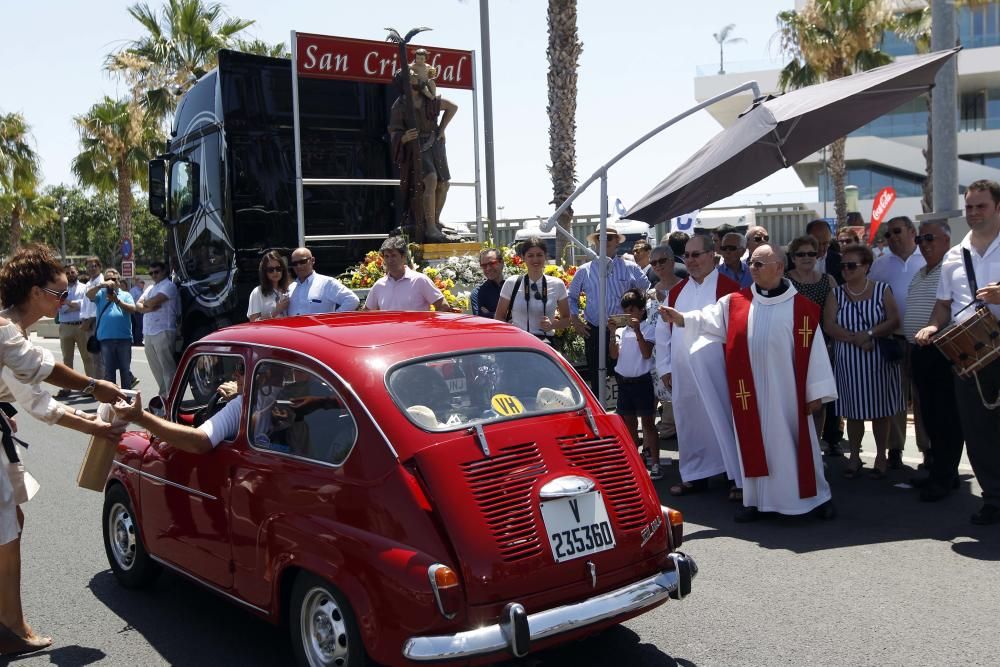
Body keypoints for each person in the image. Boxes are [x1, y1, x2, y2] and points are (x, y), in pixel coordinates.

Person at [0, 245, 127, 658]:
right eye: (59, 293)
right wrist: (96, 387)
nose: (67, 299)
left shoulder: (12, 331)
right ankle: (10, 626)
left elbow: (38, 403)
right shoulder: (5, 331)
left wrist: (94, 424)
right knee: (6, 531)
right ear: (35, 292)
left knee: (12, 521)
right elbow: (43, 376)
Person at [659, 243, 837, 523]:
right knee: (753, 445)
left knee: (795, 445)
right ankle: (757, 500)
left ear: (779, 268)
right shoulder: (737, 302)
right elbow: (708, 319)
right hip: (749, 394)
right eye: (751, 263)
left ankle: (813, 499)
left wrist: (815, 391)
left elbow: (815, 353)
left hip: (788, 395)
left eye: (758, 264)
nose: (751, 269)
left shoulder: (802, 309)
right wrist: (682, 318)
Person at [916, 179, 1000, 525]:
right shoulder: (954, 254)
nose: (973, 213)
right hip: (969, 352)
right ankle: (994, 498)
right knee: (977, 429)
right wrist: (934, 326)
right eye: (969, 207)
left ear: (998, 207)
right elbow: (943, 305)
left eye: (981, 206)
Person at [654, 234, 742, 498]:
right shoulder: (677, 291)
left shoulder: (729, 289)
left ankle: (734, 476)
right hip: (683, 374)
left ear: (711, 254)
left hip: (718, 373)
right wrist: (666, 368)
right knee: (689, 423)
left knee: (723, 421)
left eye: (696, 255)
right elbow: (663, 332)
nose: (691, 261)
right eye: (687, 256)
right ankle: (694, 474)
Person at [823, 243, 903, 480]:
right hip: (849, 361)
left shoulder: (882, 289)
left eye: (852, 265)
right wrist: (855, 339)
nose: (846, 270)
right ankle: (855, 456)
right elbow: (829, 325)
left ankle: (880, 456)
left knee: (881, 411)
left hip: (878, 358)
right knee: (853, 412)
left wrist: (868, 335)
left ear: (866, 266)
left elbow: (893, 320)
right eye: (843, 265)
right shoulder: (836, 293)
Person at [905, 220, 963, 502]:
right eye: (920, 239)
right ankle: (941, 471)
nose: (924, 244)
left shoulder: (952, 270)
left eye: (930, 238)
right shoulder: (921, 272)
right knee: (929, 416)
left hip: (943, 350)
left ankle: (943, 478)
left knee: (945, 417)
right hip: (920, 351)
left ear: (946, 241)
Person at [869, 216, 927, 469]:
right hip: (892, 340)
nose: (892, 238)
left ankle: (929, 449)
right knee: (895, 397)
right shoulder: (880, 265)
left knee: (923, 397)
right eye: (888, 234)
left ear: (912, 232)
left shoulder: (928, 258)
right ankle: (895, 449)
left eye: (897, 232)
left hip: (924, 340)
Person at [568, 226, 649, 395]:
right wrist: (575, 320)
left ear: (617, 242)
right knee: (596, 376)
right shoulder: (585, 270)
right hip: (595, 331)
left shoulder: (630, 267)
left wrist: (638, 316)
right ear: (596, 241)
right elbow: (571, 296)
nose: (605, 240)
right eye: (601, 237)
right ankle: (601, 414)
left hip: (623, 331)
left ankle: (623, 414)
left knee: (623, 375)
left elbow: (648, 291)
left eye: (609, 237)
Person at [388, 68, 458, 242]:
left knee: (444, 184)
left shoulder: (428, 98)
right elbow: (393, 131)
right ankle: (431, 228)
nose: (417, 76)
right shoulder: (400, 105)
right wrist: (404, 137)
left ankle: (434, 221)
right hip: (417, 146)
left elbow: (452, 107)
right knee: (431, 179)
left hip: (435, 143)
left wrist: (442, 129)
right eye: (412, 75)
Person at [786, 235, 839, 449]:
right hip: (791, 347)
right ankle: (796, 447)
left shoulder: (829, 281)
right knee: (794, 399)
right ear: (793, 257)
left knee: (818, 400)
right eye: (801, 254)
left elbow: (832, 318)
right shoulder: (784, 281)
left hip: (821, 346)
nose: (806, 258)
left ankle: (815, 447)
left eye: (811, 253)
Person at [609, 289, 659, 479]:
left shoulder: (648, 328)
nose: (628, 315)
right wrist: (613, 332)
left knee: (648, 423)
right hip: (624, 382)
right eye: (625, 310)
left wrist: (638, 330)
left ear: (641, 310)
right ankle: (634, 462)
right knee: (628, 425)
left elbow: (646, 353)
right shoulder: (622, 330)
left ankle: (655, 463)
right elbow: (614, 355)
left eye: (632, 310)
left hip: (642, 382)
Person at [495, 237, 571, 341]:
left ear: (545, 256)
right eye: (530, 255)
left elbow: (567, 320)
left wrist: (552, 325)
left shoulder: (557, 284)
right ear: (523, 257)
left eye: (539, 255)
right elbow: (499, 317)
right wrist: (511, 330)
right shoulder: (512, 283)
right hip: (517, 343)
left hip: (544, 344)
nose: (535, 259)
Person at [645, 245, 681, 440]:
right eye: (653, 262)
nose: (657, 266)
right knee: (657, 395)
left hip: (679, 352)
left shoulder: (684, 288)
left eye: (662, 261)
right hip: (655, 354)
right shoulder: (649, 293)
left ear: (672, 261)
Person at [364, 236, 450, 311]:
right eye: (386, 256)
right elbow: (367, 314)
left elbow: (443, 306)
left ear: (404, 257)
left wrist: (428, 327)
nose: (390, 260)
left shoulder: (420, 281)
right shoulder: (379, 285)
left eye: (394, 255)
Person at [85, 268, 138, 390]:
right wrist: (101, 285)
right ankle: (112, 401)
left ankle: (126, 400)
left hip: (124, 338)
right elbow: (88, 295)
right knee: (109, 372)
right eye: (107, 279)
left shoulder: (125, 294)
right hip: (106, 339)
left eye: (113, 279)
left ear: (119, 281)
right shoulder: (100, 294)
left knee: (125, 371)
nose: (110, 282)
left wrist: (117, 301)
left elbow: (132, 309)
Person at [134, 261, 179, 398]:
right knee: (156, 369)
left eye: (156, 272)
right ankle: (164, 396)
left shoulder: (169, 285)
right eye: (151, 273)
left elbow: (154, 301)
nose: (153, 275)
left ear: (164, 271)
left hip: (163, 330)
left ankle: (172, 398)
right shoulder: (149, 288)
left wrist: (147, 305)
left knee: (168, 369)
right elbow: (137, 305)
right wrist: (149, 306)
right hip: (148, 333)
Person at [55, 264, 92, 398]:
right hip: (65, 326)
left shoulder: (84, 287)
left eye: (72, 272)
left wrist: (68, 303)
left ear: (77, 272)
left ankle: (90, 387)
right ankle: (67, 387)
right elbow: (59, 308)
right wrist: (75, 305)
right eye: (68, 273)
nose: (70, 274)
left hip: (81, 326)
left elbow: (85, 305)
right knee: (67, 359)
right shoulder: (60, 290)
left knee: (87, 357)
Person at [287, 247, 359, 316]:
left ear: (312, 260)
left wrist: (332, 319)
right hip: (294, 328)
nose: (299, 266)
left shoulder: (327, 283)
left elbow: (352, 300)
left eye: (302, 262)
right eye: (295, 264)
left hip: (318, 328)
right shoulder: (290, 288)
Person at [247, 251, 294, 321]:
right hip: (269, 331)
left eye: (278, 269)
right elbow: (253, 322)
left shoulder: (290, 289)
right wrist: (275, 312)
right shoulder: (257, 292)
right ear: (264, 272)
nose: (275, 272)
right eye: (270, 270)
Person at [79, 256, 105, 378]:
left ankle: (103, 386)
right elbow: (85, 305)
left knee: (100, 357)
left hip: (97, 322)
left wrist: (89, 321)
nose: (92, 268)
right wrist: (83, 320)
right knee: (93, 357)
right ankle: (98, 385)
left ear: (100, 267)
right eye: (89, 266)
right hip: (87, 323)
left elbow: (99, 306)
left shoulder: (102, 282)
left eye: (94, 266)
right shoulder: (88, 283)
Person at [806, 219, 844, 284]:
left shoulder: (839, 261)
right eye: (817, 243)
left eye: (825, 243)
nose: (821, 248)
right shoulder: (793, 260)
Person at [470, 248, 504, 318]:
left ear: (502, 262)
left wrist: (490, 314)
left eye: (492, 263)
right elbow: (481, 320)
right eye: (484, 266)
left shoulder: (515, 286)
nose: (488, 268)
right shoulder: (477, 293)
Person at [128, 279, 145, 345]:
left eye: (143, 283)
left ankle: (137, 341)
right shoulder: (134, 290)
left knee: (138, 326)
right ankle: (137, 341)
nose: (143, 284)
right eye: (142, 282)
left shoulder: (141, 290)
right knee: (138, 326)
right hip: (136, 311)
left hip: (140, 311)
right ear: (137, 283)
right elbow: (132, 301)